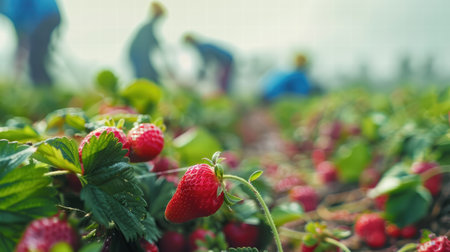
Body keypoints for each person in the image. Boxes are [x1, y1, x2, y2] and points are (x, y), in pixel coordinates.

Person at [0, 0, 61, 86]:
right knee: (38, 57)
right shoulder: (7, 6)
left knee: (35, 60)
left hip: (45, 15)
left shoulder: (8, 5)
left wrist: (21, 48)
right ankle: (44, 86)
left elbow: (20, 26)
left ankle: (44, 88)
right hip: (49, 14)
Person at [128, 2, 165, 84]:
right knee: (146, 75)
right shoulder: (148, 28)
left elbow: (154, 41)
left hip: (139, 55)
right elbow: (152, 42)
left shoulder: (148, 27)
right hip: (138, 55)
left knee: (148, 74)